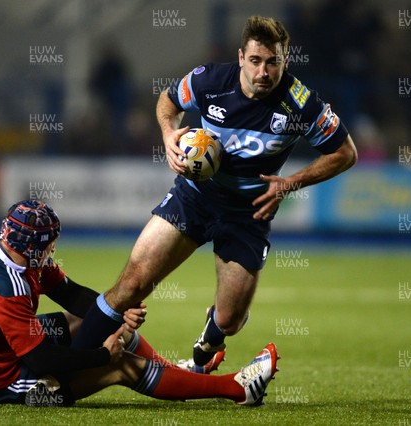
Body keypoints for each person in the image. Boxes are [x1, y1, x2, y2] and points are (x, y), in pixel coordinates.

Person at [72, 15, 357, 373]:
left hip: (249, 212)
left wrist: (290, 182)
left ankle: (211, 336)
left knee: (231, 320)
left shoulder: (300, 104)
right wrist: (167, 133)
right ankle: (72, 366)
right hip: (195, 197)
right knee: (132, 284)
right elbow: (168, 100)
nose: (264, 72)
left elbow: (345, 152)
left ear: (285, 61)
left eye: (274, 63)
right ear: (241, 58)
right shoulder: (210, 80)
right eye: (255, 61)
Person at [0, 199, 279, 407]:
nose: (51, 253)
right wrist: (103, 355)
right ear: (31, 247)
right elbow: (41, 356)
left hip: (0, 345)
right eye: (48, 246)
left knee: (108, 325)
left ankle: (186, 373)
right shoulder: (7, 289)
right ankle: (236, 389)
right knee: (120, 365)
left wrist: (116, 314)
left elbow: (70, 293)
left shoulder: (9, 249)